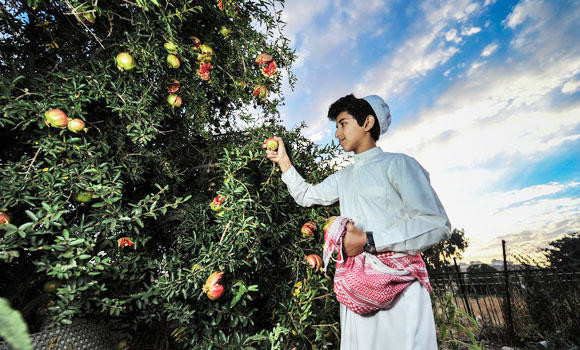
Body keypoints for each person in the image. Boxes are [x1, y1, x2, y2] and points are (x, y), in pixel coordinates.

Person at [263, 93, 451, 349]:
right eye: (336, 126)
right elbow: (306, 195)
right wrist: (283, 161)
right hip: (357, 291)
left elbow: (435, 223)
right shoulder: (345, 177)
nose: (337, 134)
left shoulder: (400, 165)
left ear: (367, 123)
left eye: (343, 123)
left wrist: (369, 240)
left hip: (400, 290)